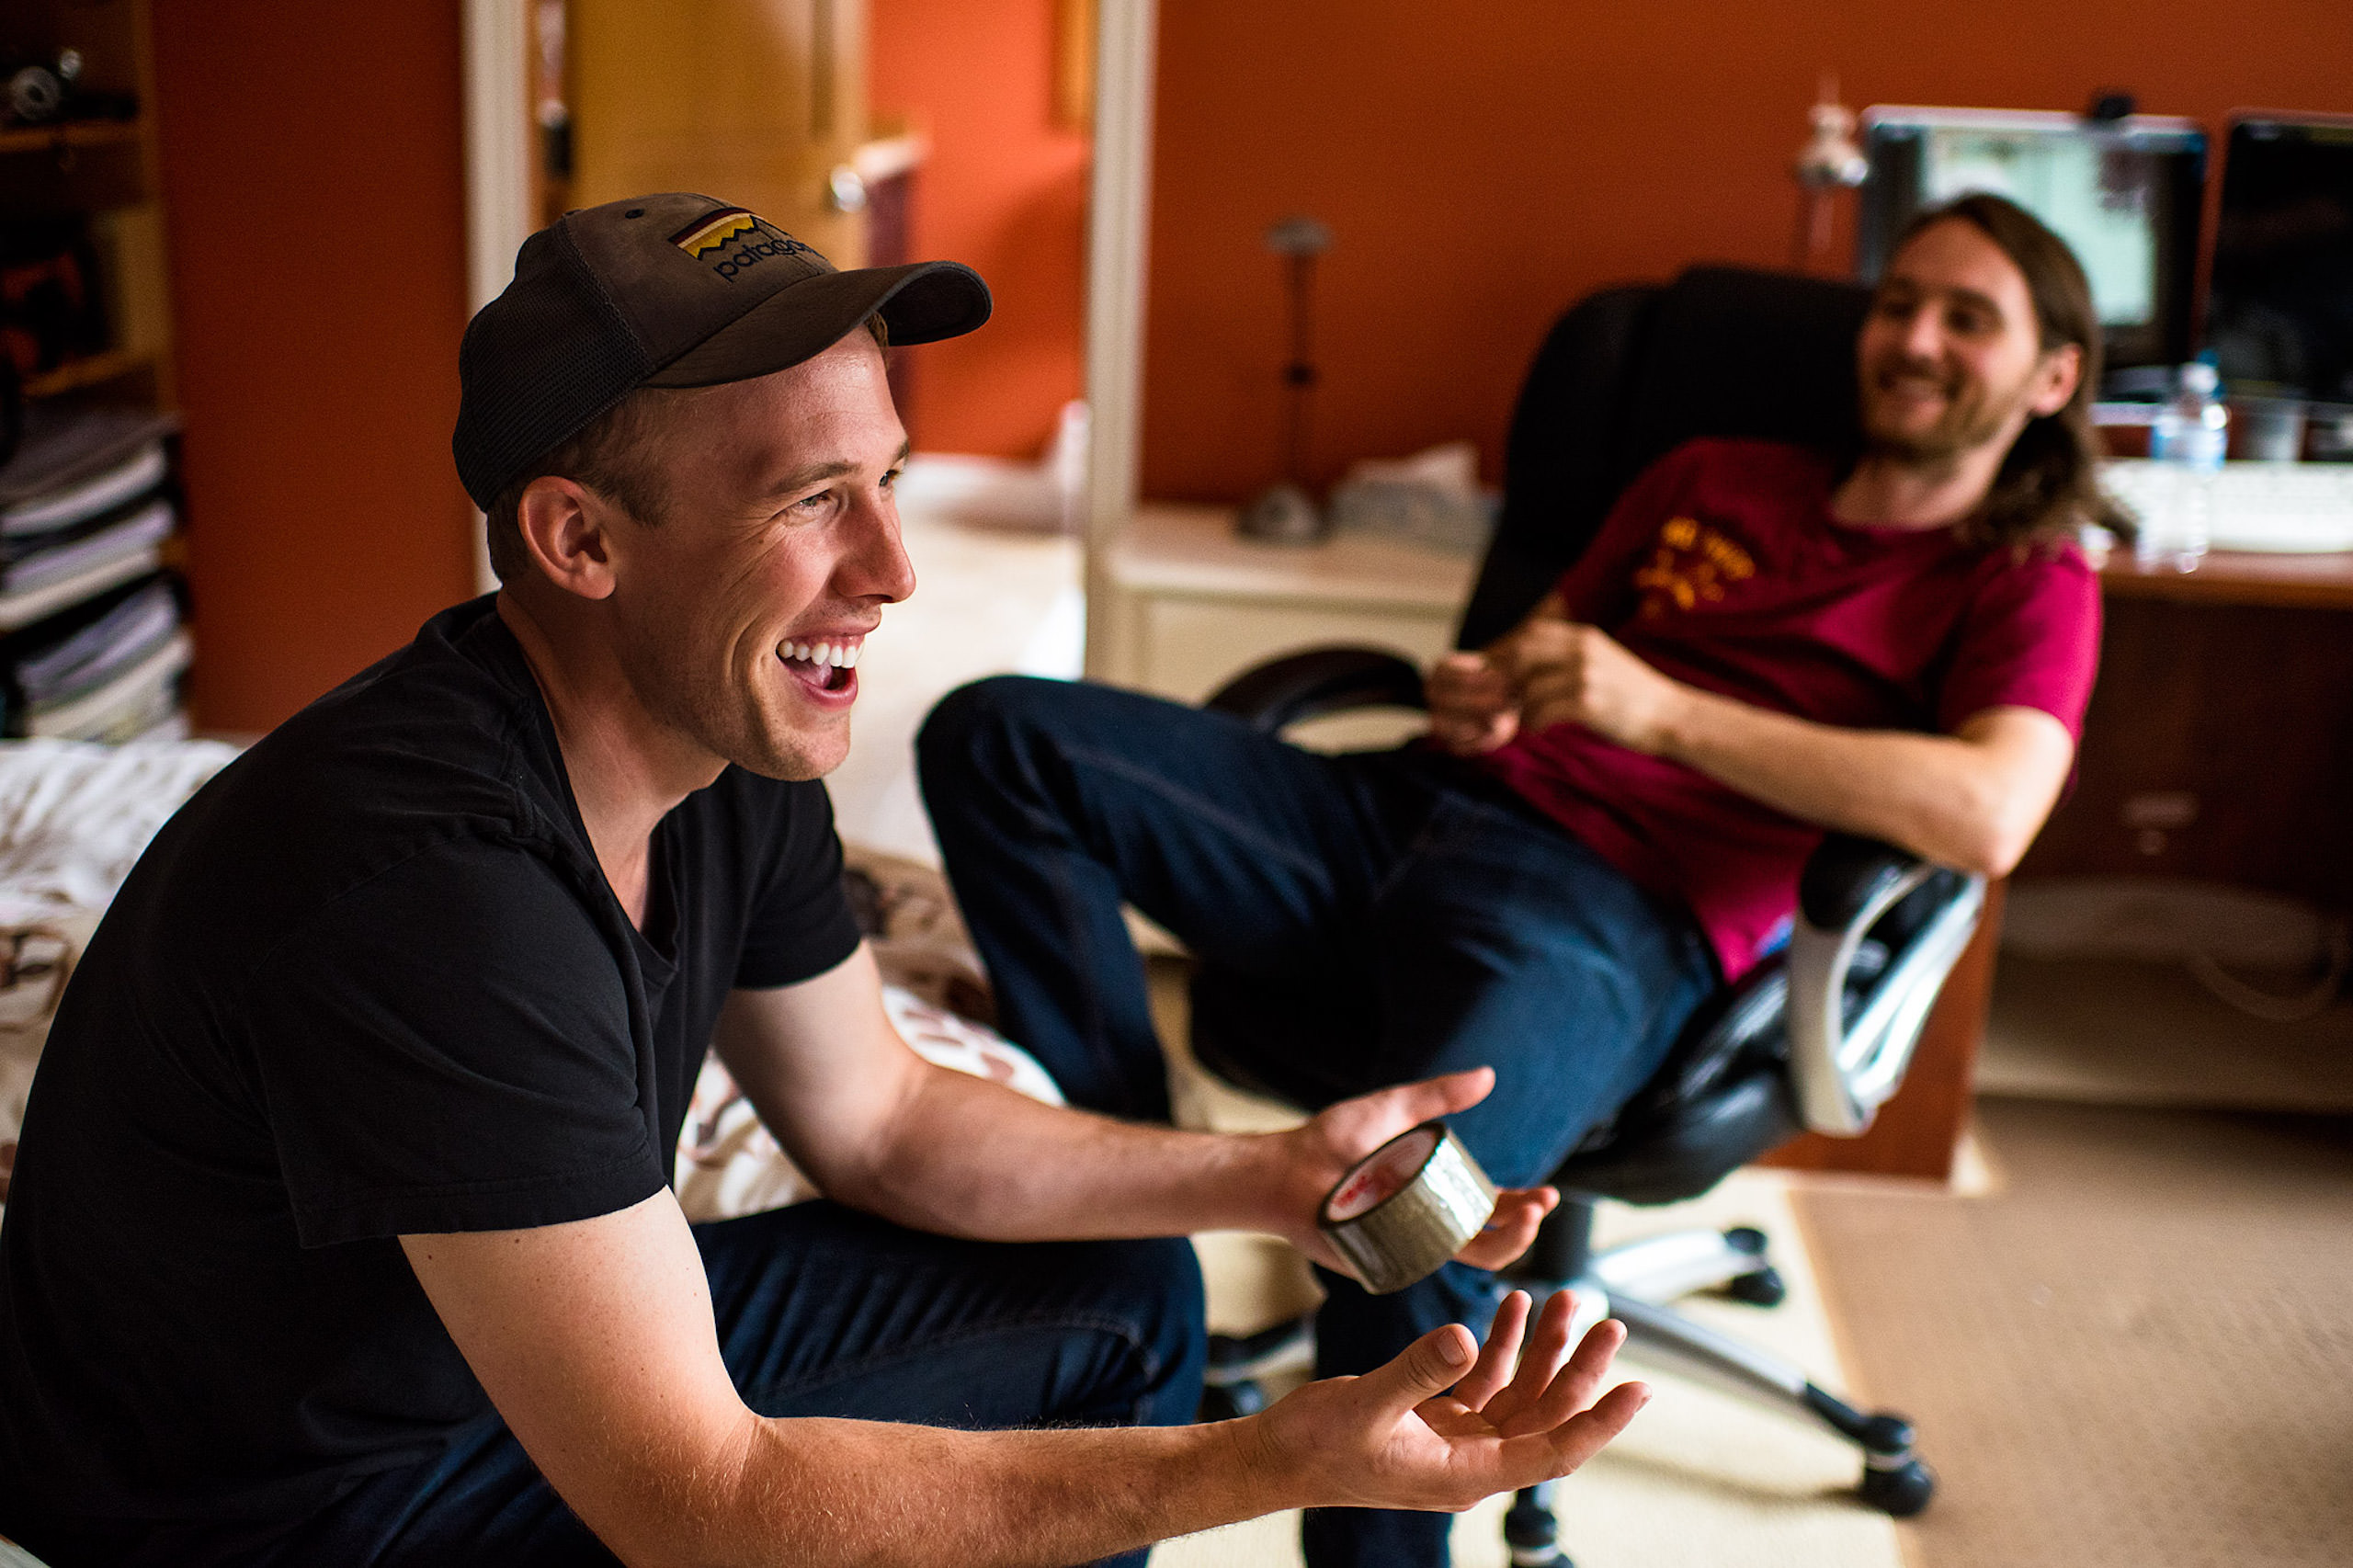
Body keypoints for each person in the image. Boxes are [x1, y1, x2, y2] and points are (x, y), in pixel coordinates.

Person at [0, 194, 1654, 1568]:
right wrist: (1267, 1460)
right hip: (284, 1509)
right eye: (812, 502)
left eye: (889, 482)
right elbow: (697, 1501)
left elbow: (883, 1123)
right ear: (581, 541)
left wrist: (1274, 1173)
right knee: (1099, 1411)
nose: (895, 569)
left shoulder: (717, 729)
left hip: (462, 1376)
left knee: (1119, 1293)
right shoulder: (431, 889)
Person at [916, 192, 2109, 1568]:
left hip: (1608, 917)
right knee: (1000, 736)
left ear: (2051, 375)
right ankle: (1132, 1209)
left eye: (1970, 318)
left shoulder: (2022, 577)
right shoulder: (1710, 474)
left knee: (1413, 1214)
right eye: (1902, 303)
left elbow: (1988, 810)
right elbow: (1542, 649)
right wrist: (1493, 690)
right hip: (1413, 810)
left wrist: (1658, 713)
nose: (1916, 337)